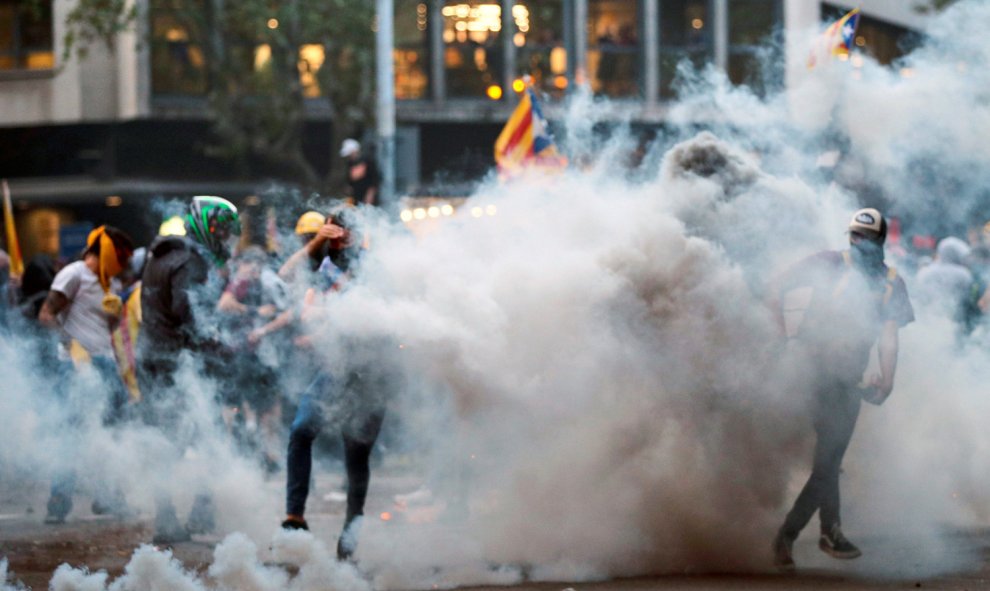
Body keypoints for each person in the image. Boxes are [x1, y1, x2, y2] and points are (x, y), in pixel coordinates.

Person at [767, 208, 914, 571]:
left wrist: (888, 379)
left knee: (828, 462)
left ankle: (790, 536)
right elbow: (777, 287)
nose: (859, 243)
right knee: (830, 458)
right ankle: (826, 532)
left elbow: (889, 338)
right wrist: (782, 335)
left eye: (866, 237)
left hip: (849, 380)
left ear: (880, 241)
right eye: (855, 236)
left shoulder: (892, 282)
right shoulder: (829, 262)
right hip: (813, 371)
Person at [280, 209, 396, 562]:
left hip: (371, 374)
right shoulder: (327, 262)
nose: (337, 235)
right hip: (336, 368)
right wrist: (318, 240)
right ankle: (294, 517)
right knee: (301, 430)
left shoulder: (372, 264)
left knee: (356, 455)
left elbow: (380, 313)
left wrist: (332, 313)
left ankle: (350, 536)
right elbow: (287, 275)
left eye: (341, 229)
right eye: (332, 229)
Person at [137, 195, 241, 545]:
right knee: (208, 436)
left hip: (154, 358)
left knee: (169, 441)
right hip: (178, 364)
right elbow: (189, 314)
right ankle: (192, 512)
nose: (225, 236)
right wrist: (220, 345)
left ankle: (175, 515)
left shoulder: (161, 253)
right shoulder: (189, 261)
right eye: (221, 228)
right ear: (205, 224)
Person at [37, 225, 135, 523]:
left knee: (112, 432)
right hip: (76, 367)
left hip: (107, 365)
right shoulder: (75, 273)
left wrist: (115, 318)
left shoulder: (111, 285)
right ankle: (58, 500)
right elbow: (46, 314)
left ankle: (107, 497)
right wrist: (72, 346)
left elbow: (110, 330)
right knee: (73, 432)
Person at [340, 139, 381, 207]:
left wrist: (370, 194)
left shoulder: (368, 161)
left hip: (367, 197)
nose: (349, 156)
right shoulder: (350, 164)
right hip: (355, 197)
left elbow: (375, 179)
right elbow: (349, 179)